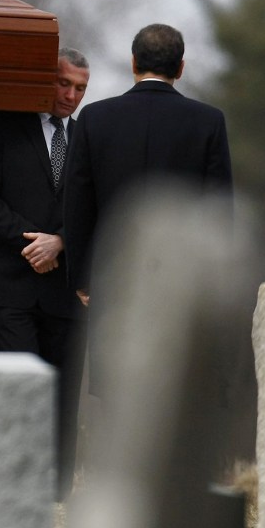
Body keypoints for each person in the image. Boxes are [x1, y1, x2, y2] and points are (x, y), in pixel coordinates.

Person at [63, 24, 232, 385]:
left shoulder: (96, 118)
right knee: (173, 392)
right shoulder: (208, 122)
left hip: (113, 276)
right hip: (182, 283)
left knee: (118, 392)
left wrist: (82, 278)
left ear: (133, 62)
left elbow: (77, 203)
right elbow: (219, 211)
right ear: (181, 68)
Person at [0, 47, 91, 499]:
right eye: (63, 84)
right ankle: (15, 484)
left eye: (80, 88)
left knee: (63, 396)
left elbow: (96, 207)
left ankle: (56, 490)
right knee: (18, 390)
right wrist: (29, 241)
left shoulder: (87, 139)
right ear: (45, 81)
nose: (71, 95)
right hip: (9, 287)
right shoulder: (2, 126)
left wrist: (61, 242)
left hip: (64, 290)